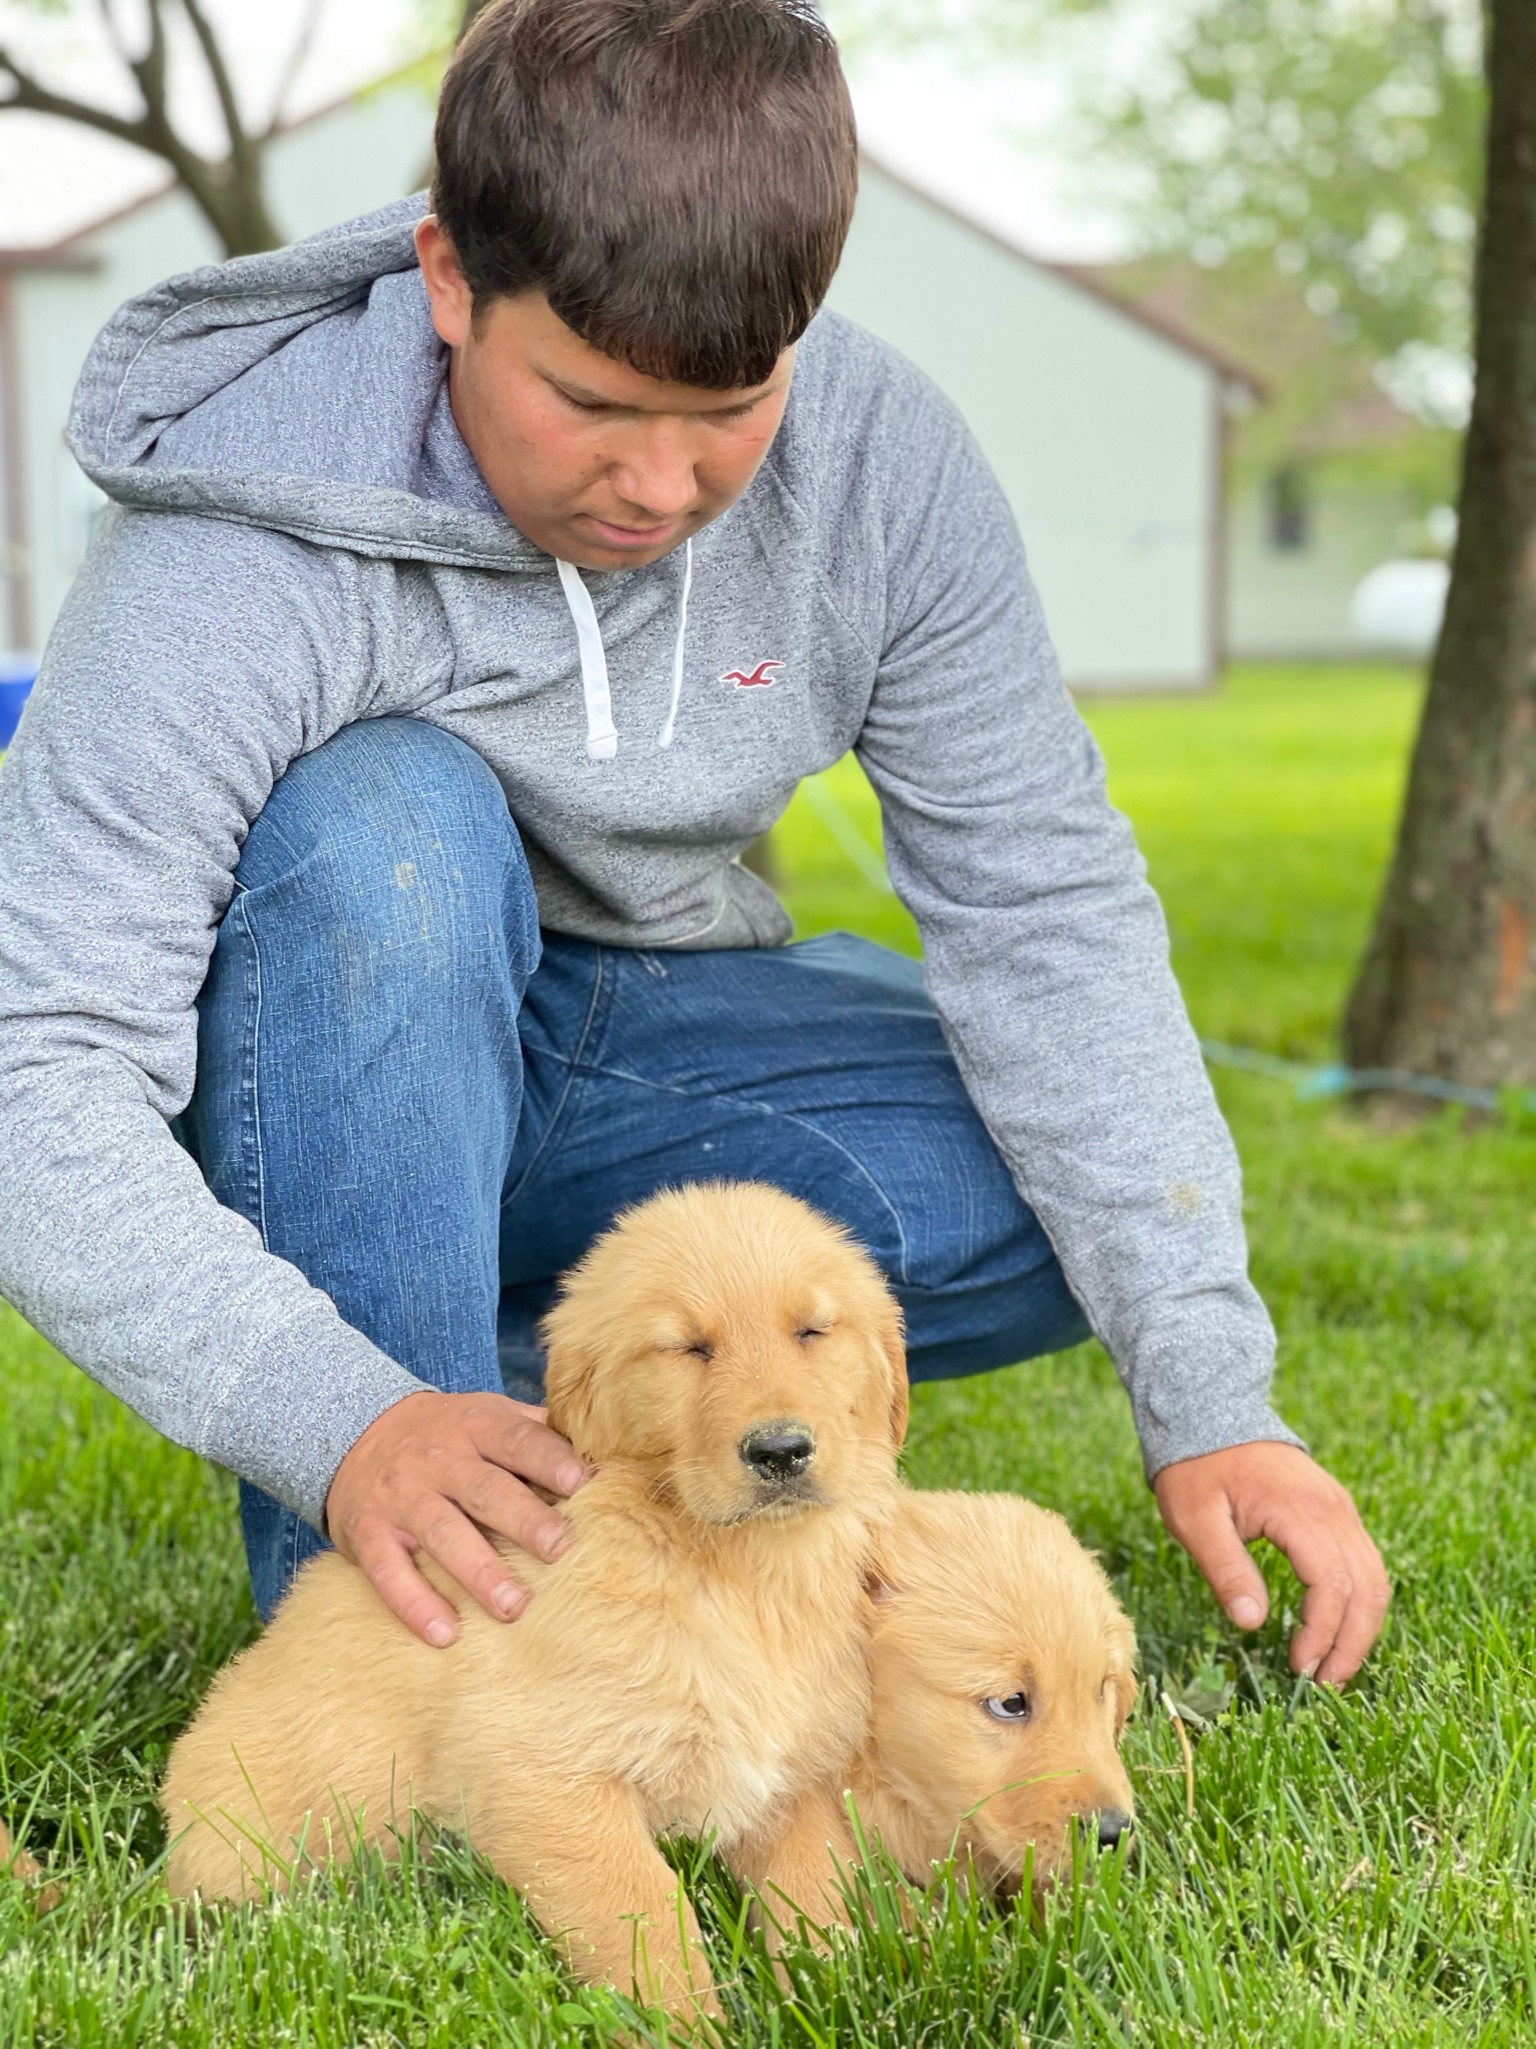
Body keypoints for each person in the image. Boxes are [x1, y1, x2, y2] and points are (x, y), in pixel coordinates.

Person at [0, 0, 1388, 1682]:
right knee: (391, 827)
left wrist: (1213, 1400)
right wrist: (335, 1408)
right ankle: (390, 1618)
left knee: (1056, 1187)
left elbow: (1050, 913)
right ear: (448, 279)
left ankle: (543, 1380)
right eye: (591, 401)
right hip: (352, 1009)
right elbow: (39, 1060)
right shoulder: (236, 541)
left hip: (653, 1027)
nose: (659, 486)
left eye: (728, 404)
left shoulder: (884, 463)